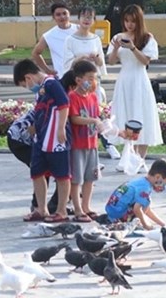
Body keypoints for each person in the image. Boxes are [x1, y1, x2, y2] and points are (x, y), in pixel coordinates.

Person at [13, 58, 72, 223]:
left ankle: (61, 211)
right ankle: (41, 209)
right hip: (41, 138)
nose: (28, 88)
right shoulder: (42, 90)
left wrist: (61, 128)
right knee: (37, 172)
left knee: (61, 175)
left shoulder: (52, 84)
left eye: (25, 85)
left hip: (55, 137)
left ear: (28, 77)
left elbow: (64, 104)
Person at [106, 4, 162, 169]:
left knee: (141, 115)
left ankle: (139, 159)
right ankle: (127, 158)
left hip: (140, 80)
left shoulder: (147, 38)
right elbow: (111, 61)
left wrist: (132, 47)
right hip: (124, 80)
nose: (129, 24)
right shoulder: (118, 36)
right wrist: (116, 48)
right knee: (125, 115)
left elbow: (145, 61)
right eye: (126, 21)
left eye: (133, 21)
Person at [62, 5, 118, 159]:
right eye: (84, 16)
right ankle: (78, 149)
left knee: (96, 113)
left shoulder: (95, 39)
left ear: (94, 20)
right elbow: (67, 64)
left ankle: (107, 145)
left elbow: (101, 64)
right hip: (78, 84)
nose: (87, 20)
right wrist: (81, 59)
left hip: (92, 83)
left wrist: (97, 59)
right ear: (78, 19)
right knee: (80, 114)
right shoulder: (70, 39)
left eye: (90, 17)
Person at [67, 60, 103, 223]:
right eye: (89, 78)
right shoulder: (73, 97)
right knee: (77, 179)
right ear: (78, 80)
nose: (92, 82)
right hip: (78, 144)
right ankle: (78, 208)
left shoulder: (94, 97)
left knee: (90, 178)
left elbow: (97, 116)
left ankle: (86, 206)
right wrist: (93, 121)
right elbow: (74, 118)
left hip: (92, 143)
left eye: (94, 78)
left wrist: (103, 124)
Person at [103, 158, 166, 230]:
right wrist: (146, 225)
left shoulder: (142, 181)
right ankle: (133, 223)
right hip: (118, 216)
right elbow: (137, 209)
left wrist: (163, 224)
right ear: (157, 177)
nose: (164, 187)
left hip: (112, 212)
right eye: (165, 184)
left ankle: (138, 221)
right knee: (146, 201)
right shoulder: (145, 188)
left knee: (145, 201)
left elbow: (147, 210)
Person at [32, 2, 77, 79]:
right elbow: (36, 53)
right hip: (62, 77)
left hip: (81, 75)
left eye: (64, 13)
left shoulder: (79, 30)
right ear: (53, 17)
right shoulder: (49, 36)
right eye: (58, 15)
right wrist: (47, 70)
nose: (62, 17)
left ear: (69, 14)